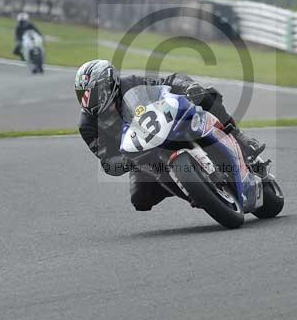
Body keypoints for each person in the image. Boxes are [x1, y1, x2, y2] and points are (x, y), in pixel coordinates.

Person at [75, 59, 265, 212]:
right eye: (84, 95)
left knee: (206, 95)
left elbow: (169, 81)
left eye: (95, 93)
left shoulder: (131, 83)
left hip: (170, 124)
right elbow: (107, 160)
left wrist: (189, 86)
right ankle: (196, 189)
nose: (90, 101)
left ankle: (240, 137)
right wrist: (124, 161)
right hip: (142, 154)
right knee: (140, 200)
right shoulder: (88, 125)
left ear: (110, 83)